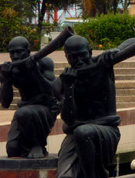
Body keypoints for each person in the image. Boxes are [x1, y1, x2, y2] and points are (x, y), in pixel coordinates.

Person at [54, 36, 122, 178]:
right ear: (66, 57)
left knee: (83, 132)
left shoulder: (102, 65)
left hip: (106, 130)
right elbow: (69, 119)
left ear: (90, 52)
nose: (79, 61)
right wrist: (69, 88)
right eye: (73, 58)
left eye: (82, 55)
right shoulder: (61, 82)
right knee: (65, 176)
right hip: (75, 135)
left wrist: (115, 50)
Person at [0, 37, 59, 158]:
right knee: (12, 149)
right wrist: (6, 80)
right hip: (25, 108)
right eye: (12, 53)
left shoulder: (43, 63)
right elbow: (5, 103)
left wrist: (35, 72)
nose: (15, 56)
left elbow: (53, 91)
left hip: (46, 106)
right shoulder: (9, 70)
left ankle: (36, 145)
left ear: (28, 51)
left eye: (19, 52)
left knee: (22, 113)